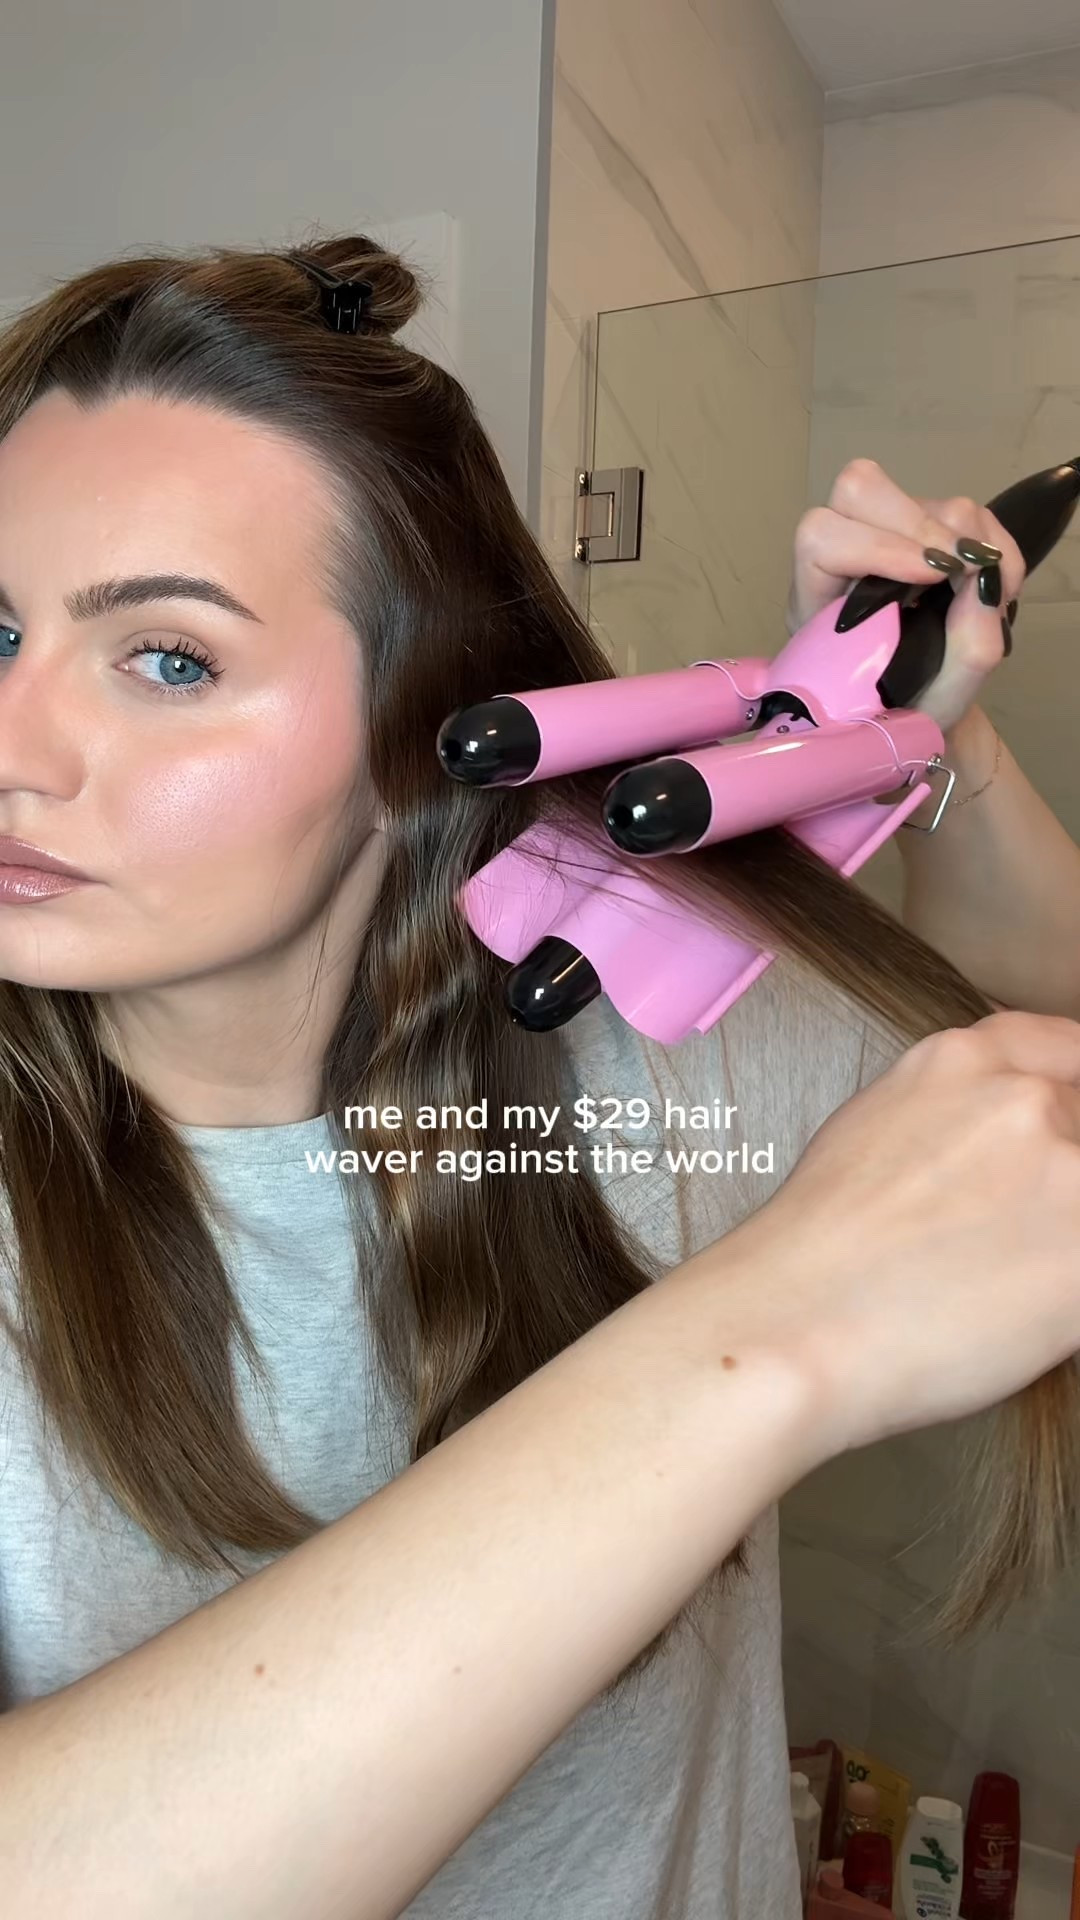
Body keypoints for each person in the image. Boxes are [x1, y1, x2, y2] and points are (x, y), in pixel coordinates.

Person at [0, 233, 1077, 1919]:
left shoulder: (637, 1046)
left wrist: (930, 732)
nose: (12, 743)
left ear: (419, 732)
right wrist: (766, 1341)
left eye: (169, 659)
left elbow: (1040, 1040)